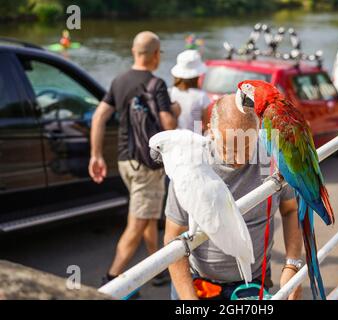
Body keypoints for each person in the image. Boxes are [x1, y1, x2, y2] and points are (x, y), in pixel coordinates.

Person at [164, 94, 304, 300]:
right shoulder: (190, 167)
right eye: (230, 149)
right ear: (210, 132)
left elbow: (291, 209)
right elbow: (173, 237)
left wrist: (292, 265)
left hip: (253, 283)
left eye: (247, 148)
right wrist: (189, 299)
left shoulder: (273, 159)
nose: (239, 159)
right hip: (198, 284)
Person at [89, 31, 178, 292]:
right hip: (146, 166)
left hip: (125, 162)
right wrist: (175, 110)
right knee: (138, 223)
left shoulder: (118, 81)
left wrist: (96, 155)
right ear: (156, 55)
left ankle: (158, 269)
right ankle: (110, 282)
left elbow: (98, 117)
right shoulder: (156, 84)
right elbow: (169, 124)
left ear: (133, 51)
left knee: (148, 216)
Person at [169, 50, 211, 132]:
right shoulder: (201, 96)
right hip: (194, 140)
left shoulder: (170, 92)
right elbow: (206, 124)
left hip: (173, 139)